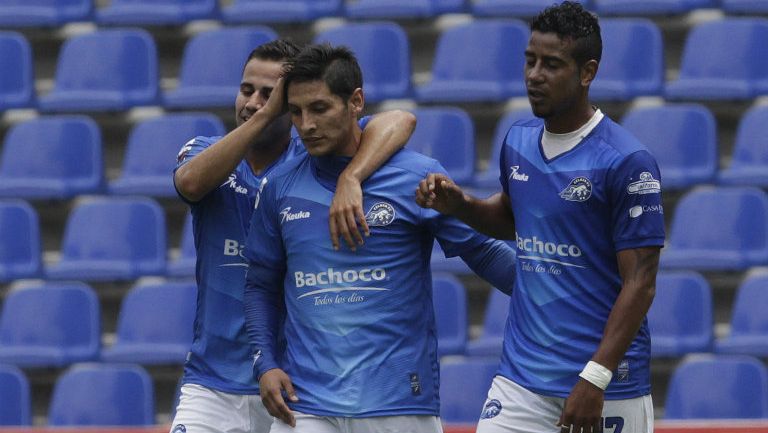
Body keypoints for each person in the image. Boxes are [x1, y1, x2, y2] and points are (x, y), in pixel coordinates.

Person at [416, 2, 665, 433]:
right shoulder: (518, 141)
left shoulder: (627, 162)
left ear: (587, 73)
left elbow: (640, 283)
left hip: (604, 386)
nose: (534, 75)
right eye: (530, 61)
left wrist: (595, 377)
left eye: (551, 64)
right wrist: (461, 206)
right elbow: (517, 219)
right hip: (522, 381)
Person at [242, 43, 517, 433]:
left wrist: (556, 299)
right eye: (296, 112)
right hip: (306, 405)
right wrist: (265, 363)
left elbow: (484, 253)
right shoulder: (280, 187)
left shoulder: (414, 176)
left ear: (356, 102)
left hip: (397, 401)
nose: (306, 125)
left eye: (320, 109)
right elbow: (260, 285)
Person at [171, 39, 417, 433]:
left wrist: (351, 177)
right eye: (246, 90)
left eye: (269, 95)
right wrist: (265, 117)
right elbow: (190, 183)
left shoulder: (310, 162)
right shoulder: (206, 151)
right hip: (211, 384)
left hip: (292, 384)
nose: (253, 102)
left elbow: (400, 120)